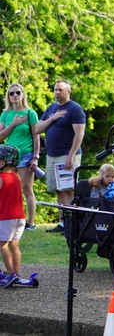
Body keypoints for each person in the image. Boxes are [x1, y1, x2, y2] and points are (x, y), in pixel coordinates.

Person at [35, 79, 86, 230]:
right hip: (52, 155)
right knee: (58, 188)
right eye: (56, 89)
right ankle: (63, 222)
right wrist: (52, 118)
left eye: (61, 90)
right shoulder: (51, 108)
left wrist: (70, 156)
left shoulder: (75, 109)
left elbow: (79, 135)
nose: (57, 92)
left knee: (69, 188)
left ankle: (73, 223)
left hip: (68, 155)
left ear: (68, 92)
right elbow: (37, 129)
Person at [0, 84, 39, 231]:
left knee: (26, 188)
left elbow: (36, 137)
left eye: (18, 92)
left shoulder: (30, 113)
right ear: (9, 97)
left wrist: (35, 156)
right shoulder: (5, 114)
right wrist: (13, 124)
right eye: (11, 93)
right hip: (9, 157)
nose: (15, 95)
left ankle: (30, 223)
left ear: (23, 94)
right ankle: (9, 219)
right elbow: (0, 136)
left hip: (26, 154)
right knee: (6, 188)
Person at [0, 144, 27, 287]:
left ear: (3, 162)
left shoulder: (1, 177)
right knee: (14, 245)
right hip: (20, 217)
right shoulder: (16, 177)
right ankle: (16, 273)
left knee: (2, 245)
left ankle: (10, 274)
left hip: (5, 217)